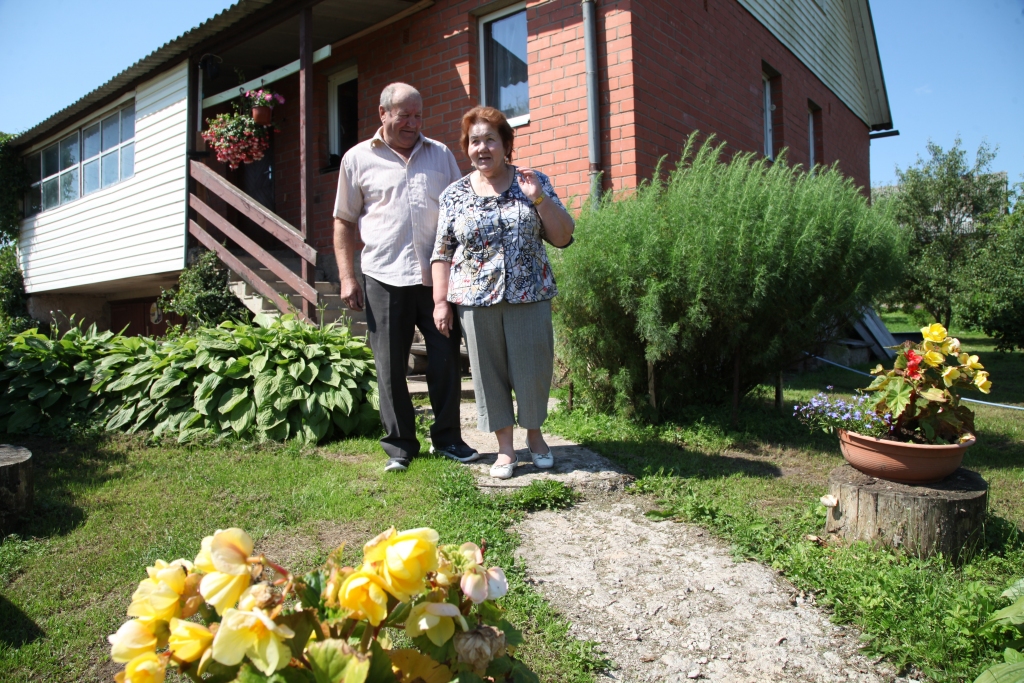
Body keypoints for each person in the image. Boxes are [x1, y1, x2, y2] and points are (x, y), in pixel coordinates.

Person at [333, 83, 479, 472]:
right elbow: (344, 221)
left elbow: (459, 212)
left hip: (437, 278)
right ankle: (400, 446)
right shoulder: (357, 159)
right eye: (404, 116)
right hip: (383, 274)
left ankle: (448, 439)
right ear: (383, 114)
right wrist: (347, 277)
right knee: (390, 365)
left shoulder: (441, 155)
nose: (413, 123)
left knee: (446, 360)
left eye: (418, 115)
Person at [430, 106, 575, 480]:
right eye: (474, 141)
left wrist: (538, 198)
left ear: (506, 144)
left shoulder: (532, 180)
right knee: (487, 374)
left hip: (530, 294)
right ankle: (505, 449)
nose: (482, 148)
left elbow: (562, 237)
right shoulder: (454, 195)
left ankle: (537, 438)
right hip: (476, 300)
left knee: (533, 370)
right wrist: (440, 302)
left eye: (489, 139)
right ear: (467, 147)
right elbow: (442, 252)